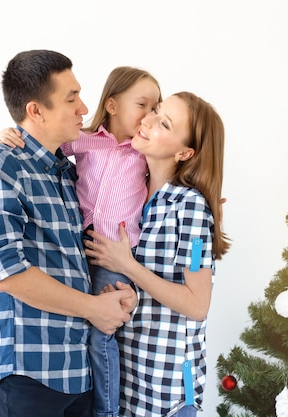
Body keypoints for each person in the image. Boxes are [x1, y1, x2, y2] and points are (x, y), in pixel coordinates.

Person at [0, 50, 137, 417]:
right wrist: (94, 309)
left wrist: (115, 296)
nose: (84, 108)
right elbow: (9, 275)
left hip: (79, 375)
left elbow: (76, 265)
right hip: (29, 376)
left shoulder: (67, 174)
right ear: (36, 110)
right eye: (71, 98)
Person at [0, 66, 161, 417]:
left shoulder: (144, 151)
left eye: (156, 108)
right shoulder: (84, 142)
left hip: (118, 252)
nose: (151, 115)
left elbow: (178, 170)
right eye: (143, 105)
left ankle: (109, 410)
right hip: (83, 246)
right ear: (113, 106)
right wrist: (10, 134)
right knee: (94, 323)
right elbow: (41, 142)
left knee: (103, 335)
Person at [84, 91, 231, 417]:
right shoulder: (133, 193)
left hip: (167, 391)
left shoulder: (188, 206)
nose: (147, 121)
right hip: (126, 383)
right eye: (155, 111)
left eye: (163, 123)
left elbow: (196, 304)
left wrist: (126, 264)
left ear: (184, 152)